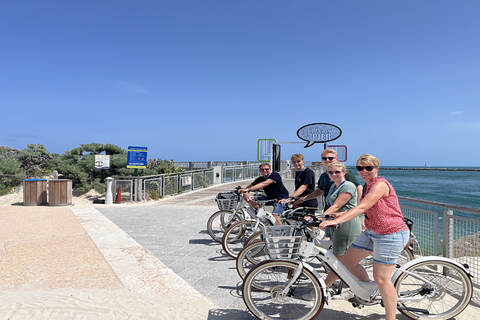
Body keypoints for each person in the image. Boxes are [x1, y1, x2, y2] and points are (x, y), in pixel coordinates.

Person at [320, 154, 410, 320]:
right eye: (360, 168)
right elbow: (359, 208)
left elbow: (362, 207)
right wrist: (329, 217)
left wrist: (337, 220)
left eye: (368, 167)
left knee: (382, 278)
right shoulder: (367, 186)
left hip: (390, 233)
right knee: (347, 260)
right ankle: (365, 291)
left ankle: (391, 318)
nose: (364, 171)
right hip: (372, 231)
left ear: (376, 168)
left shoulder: (380, 185)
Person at [293, 149, 362, 211]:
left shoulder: (344, 174)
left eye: (330, 158)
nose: (327, 160)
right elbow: (320, 191)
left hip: (342, 211)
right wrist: (303, 199)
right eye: (324, 158)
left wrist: (357, 207)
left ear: (336, 159)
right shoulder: (324, 176)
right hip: (328, 209)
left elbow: (358, 187)